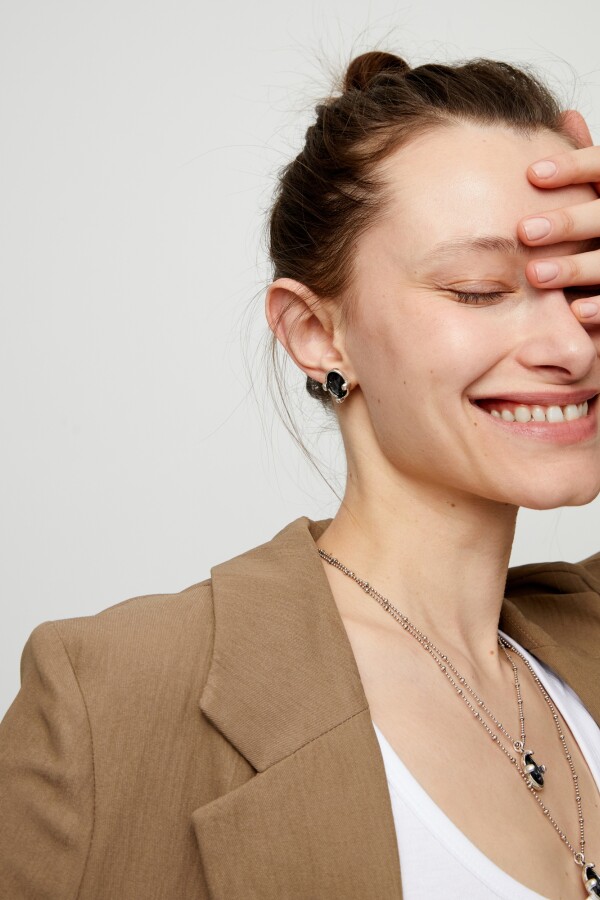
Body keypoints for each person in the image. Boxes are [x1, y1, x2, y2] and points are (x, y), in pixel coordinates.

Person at [1, 49, 600, 900]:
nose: (572, 346)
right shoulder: (109, 702)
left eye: (580, 283)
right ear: (317, 334)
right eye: (478, 288)